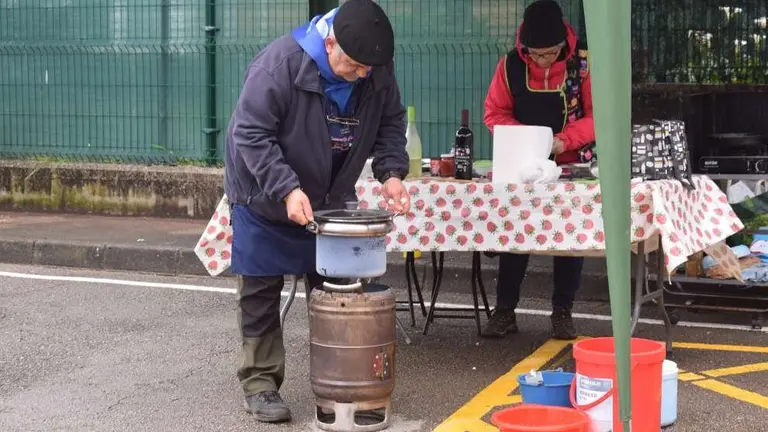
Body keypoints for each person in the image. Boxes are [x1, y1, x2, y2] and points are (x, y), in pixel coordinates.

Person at [223, 0, 410, 423]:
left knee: (340, 290)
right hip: (264, 196)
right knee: (260, 290)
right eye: (354, 66)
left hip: (330, 196)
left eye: (368, 69)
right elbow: (250, 133)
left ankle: (345, 381)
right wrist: (286, 189)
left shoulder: (374, 68)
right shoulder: (279, 66)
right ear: (330, 43)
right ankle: (260, 383)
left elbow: (390, 122)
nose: (361, 75)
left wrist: (391, 173)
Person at [481, 0, 595, 340]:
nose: (542, 60)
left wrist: (563, 141)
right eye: (536, 54)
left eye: (550, 54)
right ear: (524, 47)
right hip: (523, 167)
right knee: (515, 233)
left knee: (568, 238)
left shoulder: (583, 66)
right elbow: (494, 113)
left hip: (570, 163)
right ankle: (505, 310)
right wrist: (527, 140)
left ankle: (563, 311)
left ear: (563, 45)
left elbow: (598, 116)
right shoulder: (510, 66)